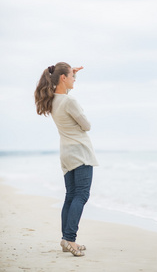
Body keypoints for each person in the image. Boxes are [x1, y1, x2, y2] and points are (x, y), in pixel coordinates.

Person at [34, 62, 98, 256]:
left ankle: (66, 239)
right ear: (63, 78)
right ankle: (70, 239)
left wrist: (70, 74)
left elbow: (63, 97)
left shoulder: (53, 100)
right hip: (80, 152)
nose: (75, 79)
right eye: (72, 76)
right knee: (81, 195)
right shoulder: (70, 101)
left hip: (66, 153)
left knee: (71, 196)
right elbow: (86, 125)